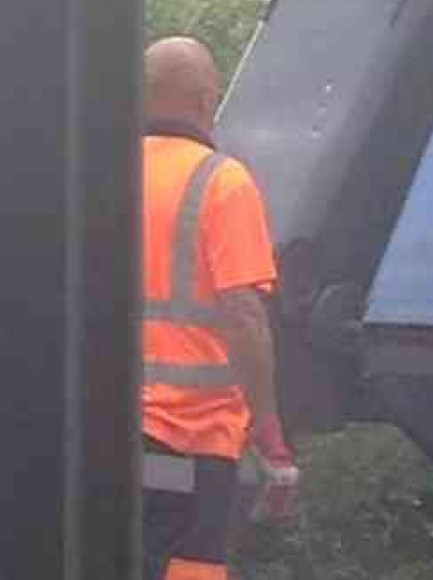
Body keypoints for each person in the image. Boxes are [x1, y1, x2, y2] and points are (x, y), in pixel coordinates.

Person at [141, 36, 299, 580]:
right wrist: (269, 428)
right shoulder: (221, 182)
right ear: (207, 100)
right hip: (191, 437)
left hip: (100, 430)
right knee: (190, 569)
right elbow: (244, 314)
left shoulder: (98, 177)